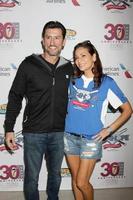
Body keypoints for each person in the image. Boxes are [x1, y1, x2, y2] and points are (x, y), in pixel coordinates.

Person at [4, 21, 73, 200]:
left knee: (56, 175)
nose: (52, 42)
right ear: (42, 40)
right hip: (34, 132)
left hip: (59, 132)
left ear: (64, 41)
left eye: (57, 37)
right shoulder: (28, 64)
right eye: (49, 37)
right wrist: (9, 128)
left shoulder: (69, 67)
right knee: (32, 178)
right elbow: (15, 96)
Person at [64, 40, 133, 200]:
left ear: (94, 57)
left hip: (91, 139)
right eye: (76, 57)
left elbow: (127, 110)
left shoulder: (106, 82)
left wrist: (108, 130)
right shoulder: (72, 80)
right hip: (69, 136)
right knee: (75, 180)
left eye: (83, 56)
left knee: (82, 182)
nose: (79, 61)